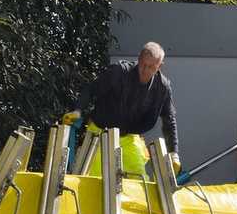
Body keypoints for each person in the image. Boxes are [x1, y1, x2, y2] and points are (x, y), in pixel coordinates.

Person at [64, 42, 180, 177]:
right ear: (139, 59)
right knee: (89, 180)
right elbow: (91, 89)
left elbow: (169, 120)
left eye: (151, 67)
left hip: (128, 138)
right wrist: (78, 110)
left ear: (159, 66)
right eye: (143, 65)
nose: (145, 71)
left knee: (139, 181)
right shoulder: (119, 72)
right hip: (99, 135)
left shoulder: (162, 87)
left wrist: (174, 153)